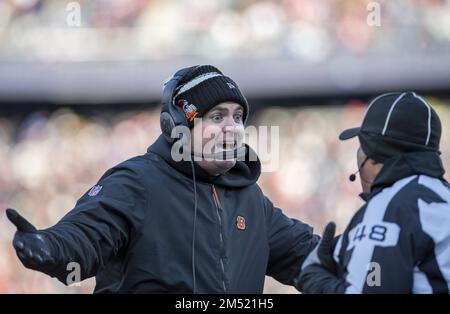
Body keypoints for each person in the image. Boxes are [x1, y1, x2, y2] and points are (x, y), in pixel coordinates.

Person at [7, 65, 319, 293]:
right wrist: (50, 246)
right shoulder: (137, 182)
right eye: (217, 116)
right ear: (177, 126)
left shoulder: (251, 200)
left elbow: (308, 255)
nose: (233, 127)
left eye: (238, 117)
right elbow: (86, 234)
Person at [297, 92, 450, 293]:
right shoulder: (443, 196)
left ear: (375, 156)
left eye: (362, 145)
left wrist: (315, 279)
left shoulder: (388, 209)